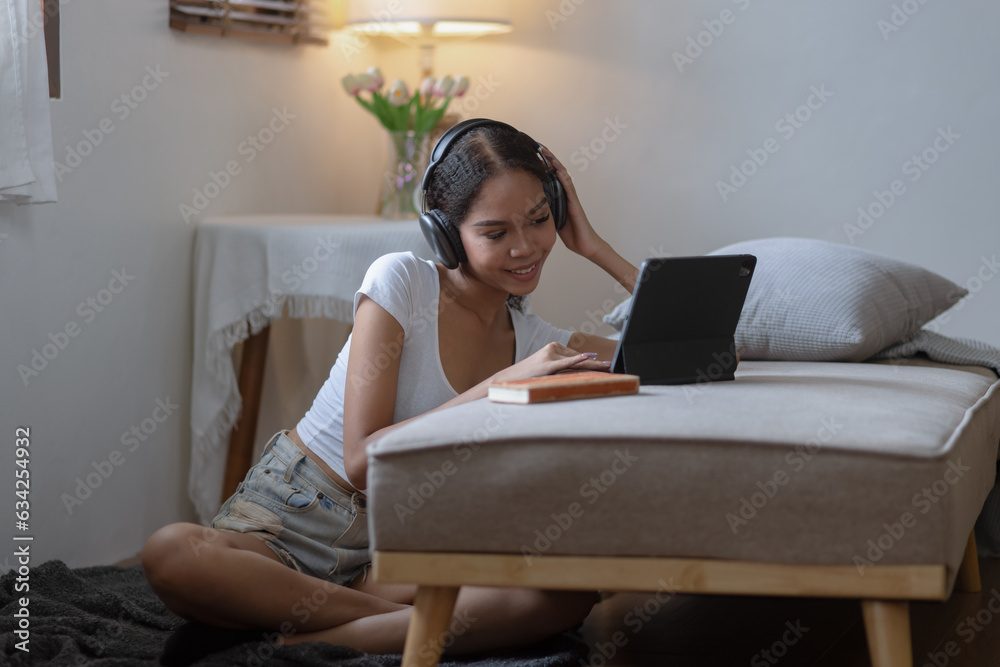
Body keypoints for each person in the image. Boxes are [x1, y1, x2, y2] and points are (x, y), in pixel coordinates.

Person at [141, 119, 639, 661]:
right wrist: (496, 386)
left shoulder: (541, 345)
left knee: (563, 598)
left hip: (397, 547)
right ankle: (399, 628)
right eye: (495, 233)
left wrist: (593, 246)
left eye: (540, 220)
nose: (525, 247)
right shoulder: (400, 281)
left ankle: (305, 639)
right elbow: (361, 461)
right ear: (444, 234)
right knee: (172, 553)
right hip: (293, 517)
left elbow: (709, 347)